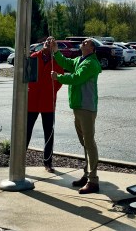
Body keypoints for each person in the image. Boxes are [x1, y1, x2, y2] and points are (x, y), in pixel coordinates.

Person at [51, 37, 102, 194]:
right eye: (84, 41)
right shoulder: (80, 59)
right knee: (84, 143)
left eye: (87, 42)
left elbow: (76, 78)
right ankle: (87, 175)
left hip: (87, 108)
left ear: (92, 49)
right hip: (78, 107)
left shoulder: (91, 64)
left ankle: (93, 180)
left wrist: (58, 77)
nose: (84, 42)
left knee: (89, 142)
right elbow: (66, 63)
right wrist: (55, 51)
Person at [27, 36, 64, 173]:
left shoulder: (57, 61)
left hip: (48, 101)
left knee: (49, 133)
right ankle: (20, 160)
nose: (48, 43)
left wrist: (50, 91)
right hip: (32, 101)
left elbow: (59, 80)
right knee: (26, 131)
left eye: (52, 42)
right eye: (47, 41)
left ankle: (48, 162)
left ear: (54, 46)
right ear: (43, 44)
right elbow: (27, 76)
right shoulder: (34, 56)